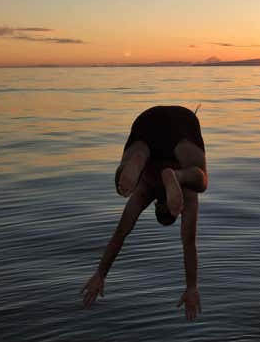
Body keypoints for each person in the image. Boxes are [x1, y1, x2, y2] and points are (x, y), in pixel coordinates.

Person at [80, 106, 208, 321]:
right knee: (124, 187)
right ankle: (142, 163)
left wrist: (192, 287)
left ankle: (169, 170)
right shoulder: (144, 191)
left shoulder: (171, 196)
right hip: (149, 127)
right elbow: (120, 234)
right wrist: (100, 274)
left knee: (201, 181)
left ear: (166, 205)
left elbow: (189, 244)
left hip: (172, 123)